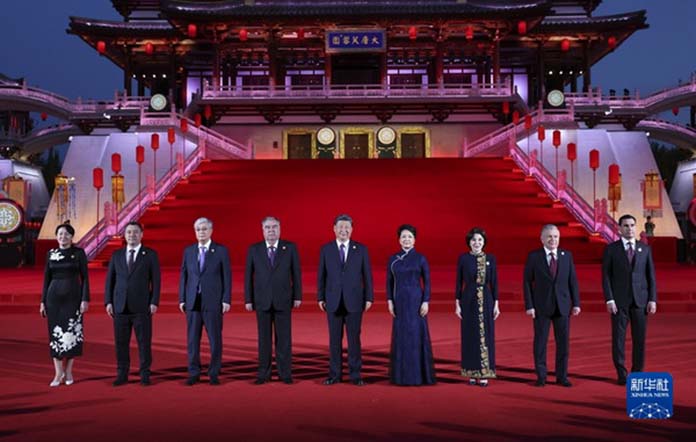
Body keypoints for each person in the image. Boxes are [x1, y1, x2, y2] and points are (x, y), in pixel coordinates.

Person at [317, 214, 373, 386]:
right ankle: (334, 375)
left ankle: (355, 375)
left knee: (354, 340)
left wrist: (369, 297)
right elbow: (321, 275)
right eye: (340, 227)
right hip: (333, 300)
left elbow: (367, 275)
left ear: (352, 229)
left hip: (354, 301)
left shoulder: (361, 249)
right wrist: (320, 297)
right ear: (334, 229)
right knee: (334, 341)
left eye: (347, 227)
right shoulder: (326, 249)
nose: (344, 230)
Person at [245, 216, 302, 384]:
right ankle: (263, 374)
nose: (271, 230)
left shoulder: (289, 248)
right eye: (268, 228)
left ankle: (285, 374)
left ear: (280, 229)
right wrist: (248, 299)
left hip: (283, 299)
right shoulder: (254, 249)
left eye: (274, 227)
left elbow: (296, 273)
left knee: (284, 339)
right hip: (261, 300)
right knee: (264, 340)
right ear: (263, 230)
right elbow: (248, 276)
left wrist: (297, 296)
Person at [602, 214, 657, 386]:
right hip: (619, 302)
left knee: (639, 339)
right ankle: (621, 373)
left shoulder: (644, 249)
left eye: (632, 225)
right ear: (619, 229)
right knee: (618, 339)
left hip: (640, 301)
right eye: (626, 225)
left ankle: (637, 373)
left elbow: (651, 276)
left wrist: (652, 299)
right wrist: (609, 299)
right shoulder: (611, 249)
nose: (630, 228)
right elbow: (606, 276)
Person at [523, 224, 581, 387]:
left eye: (556, 237)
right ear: (542, 239)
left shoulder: (566, 256)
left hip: (563, 306)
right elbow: (527, 282)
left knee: (563, 344)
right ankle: (541, 376)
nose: (553, 240)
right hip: (541, 307)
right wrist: (529, 305)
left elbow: (573, 281)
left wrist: (576, 303)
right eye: (549, 236)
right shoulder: (534, 257)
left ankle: (562, 376)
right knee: (540, 343)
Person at [104, 221, 161, 386]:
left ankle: (145, 374)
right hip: (120, 305)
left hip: (142, 306)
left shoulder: (150, 254)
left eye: (135, 232)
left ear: (141, 235)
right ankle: (122, 374)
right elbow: (110, 281)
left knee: (144, 342)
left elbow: (156, 280)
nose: (132, 235)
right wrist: (108, 301)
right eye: (129, 232)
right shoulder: (117, 255)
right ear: (124, 234)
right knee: (121, 343)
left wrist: (154, 301)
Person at [179, 217, 231, 386]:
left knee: (215, 340)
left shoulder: (221, 250)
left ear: (211, 231)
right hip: (192, 302)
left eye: (204, 229)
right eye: (198, 229)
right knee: (192, 340)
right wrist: (182, 299)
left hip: (213, 302)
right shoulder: (189, 251)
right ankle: (194, 373)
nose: (201, 232)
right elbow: (184, 276)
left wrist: (226, 299)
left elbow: (227, 276)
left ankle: (214, 372)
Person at [40, 222, 90, 387]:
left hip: (73, 298)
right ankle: (57, 372)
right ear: (56, 236)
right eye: (60, 234)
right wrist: (42, 301)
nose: (63, 237)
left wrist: (85, 299)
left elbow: (85, 278)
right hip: (53, 298)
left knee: (72, 334)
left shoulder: (79, 253)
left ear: (72, 237)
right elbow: (46, 278)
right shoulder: (51, 253)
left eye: (67, 234)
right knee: (55, 335)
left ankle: (68, 371)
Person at [387, 224, 436, 386]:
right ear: (399, 240)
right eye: (403, 237)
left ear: (414, 240)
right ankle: (401, 376)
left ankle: (418, 376)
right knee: (402, 337)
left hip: (416, 302)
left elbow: (427, 282)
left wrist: (426, 301)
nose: (406, 239)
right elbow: (389, 282)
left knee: (415, 335)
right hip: (400, 302)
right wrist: (390, 301)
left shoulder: (421, 258)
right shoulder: (393, 259)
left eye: (409, 237)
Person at [456, 227, 500, 387]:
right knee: (469, 335)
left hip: (486, 299)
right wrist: (457, 303)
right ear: (469, 242)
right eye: (474, 240)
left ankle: (485, 373)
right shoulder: (463, 259)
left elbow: (494, 282)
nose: (477, 243)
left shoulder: (490, 259)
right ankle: (471, 372)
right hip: (468, 299)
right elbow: (458, 282)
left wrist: (496, 303)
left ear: (484, 242)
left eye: (480, 240)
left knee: (486, 335)